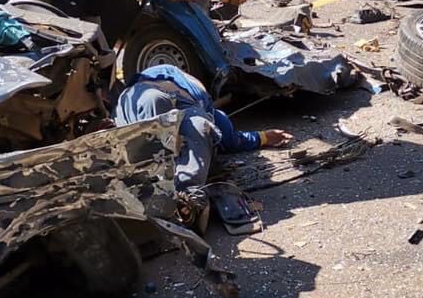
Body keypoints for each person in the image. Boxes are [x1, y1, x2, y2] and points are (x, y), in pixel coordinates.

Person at [114, 63, 291, 219]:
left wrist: (264, 137)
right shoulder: (209, 112)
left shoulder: (204, 112)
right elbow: (231, 141)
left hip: (135, 100)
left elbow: (230, 140)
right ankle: (183, 191)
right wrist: (263, 137)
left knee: (181, 124)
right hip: (148, 95)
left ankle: (179, 194)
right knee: (190, 122)